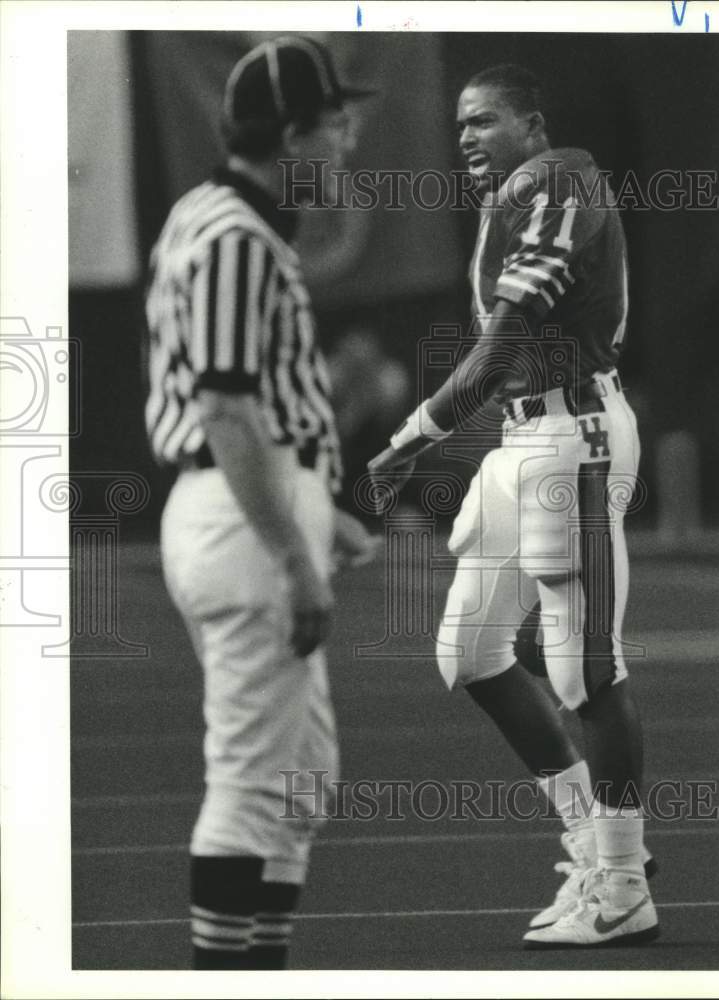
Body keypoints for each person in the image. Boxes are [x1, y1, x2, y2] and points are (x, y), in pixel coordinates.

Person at [368, 64, 659, 949]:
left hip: (574, 436)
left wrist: (414, 434)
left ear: (533, 126)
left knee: (584, 671)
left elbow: (503, 344)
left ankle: (621, 885)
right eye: (457, 126)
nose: (465, 139)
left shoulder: (558, 179)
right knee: (468, 649)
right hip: (524, 438)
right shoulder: (517, 197)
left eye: (484, 121)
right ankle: (595, 845)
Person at [144, 36, 376, 969]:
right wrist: (291, 550)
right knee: (249, 787)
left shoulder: (213, 215)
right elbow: (228, 412)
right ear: (289, 134)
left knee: (300, 780)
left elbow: (252, 408)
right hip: (243, 523)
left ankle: (256, 972)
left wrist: (323, 509)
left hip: (251, 506)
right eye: (333, 124)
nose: (346, 143)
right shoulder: (239, 237)